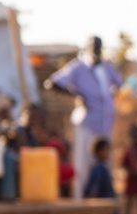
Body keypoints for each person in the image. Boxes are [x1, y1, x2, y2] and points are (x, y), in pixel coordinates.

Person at [45, 36, 122, 198]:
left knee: (105, 166)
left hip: (105, 124)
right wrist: (76, 96)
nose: (96, 50)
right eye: (94, 47)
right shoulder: (78, 67)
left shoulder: (106, 67)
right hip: (87, 123)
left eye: (99, 47)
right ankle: (81, 201)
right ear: (87, 48)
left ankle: (104, 204)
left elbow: (119, 84)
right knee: (83, 166)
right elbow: (52, 83)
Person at [83, 136, 122, 214]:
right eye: (106, 150)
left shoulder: (99, 168)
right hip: (100, 203)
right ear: (98, 152)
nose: (107, 154)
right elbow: (96, 187)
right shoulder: (99, 169)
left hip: (101, 202)